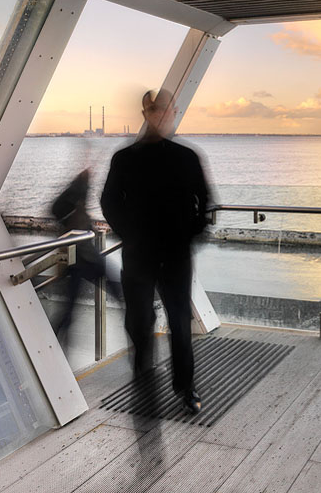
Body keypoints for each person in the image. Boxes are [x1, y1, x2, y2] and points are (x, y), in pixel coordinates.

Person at [101, 88, 209, 414]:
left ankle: (183, 386)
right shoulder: (127, 158)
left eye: (168, 110)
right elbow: (108, 203)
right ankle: (150, 384)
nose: (165, 115)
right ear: (147, 114)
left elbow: (204, 203)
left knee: (174, 321)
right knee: (140, 321)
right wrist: (132, 235)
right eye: (159, 110)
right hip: (146, 252)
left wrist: (185, 235)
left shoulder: (181, 156)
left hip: (161, 253)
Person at [51, 168, 119, 349]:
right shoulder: (76, 205)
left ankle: (56, 339)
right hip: (86, 260)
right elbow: (81, 225)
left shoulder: (73, 206)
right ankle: (56, 338)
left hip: (77, 261)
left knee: (70, 306)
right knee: (117, 288)